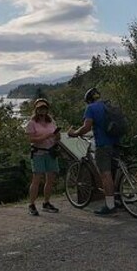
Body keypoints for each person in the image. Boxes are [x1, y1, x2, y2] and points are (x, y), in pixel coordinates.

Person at [67, 87, 121, 215]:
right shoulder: (109, 105)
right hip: (116, 143)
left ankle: (110, 207)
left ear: (88, 100)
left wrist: (74, 133)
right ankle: (118, 200)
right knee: (114, 173)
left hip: (103, 145)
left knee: (106, 175)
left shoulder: (91, 108)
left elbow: (86, 127)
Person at [26, 98, 60, 216]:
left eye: (44, 108)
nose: (42, 110)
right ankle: (31, 204)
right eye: (40, 108)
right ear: (36, 109)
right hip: (38, 153)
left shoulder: (51, 121)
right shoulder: (31, 123)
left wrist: (56, 137)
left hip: (50, 151)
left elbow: (56, 137)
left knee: (50, 179)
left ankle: (46, 202)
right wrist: (45, 136)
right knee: (37, 179)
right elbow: (30, 139)